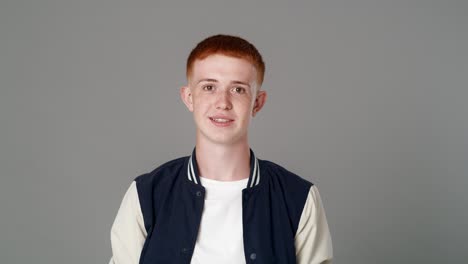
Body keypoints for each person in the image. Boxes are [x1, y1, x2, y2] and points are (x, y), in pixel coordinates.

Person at [109, 34, 333, 264]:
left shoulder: (299, 198)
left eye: (238, 89)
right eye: (209, 87)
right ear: (189, 98)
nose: (223, 102)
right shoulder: (146, 195)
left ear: (257, 102)